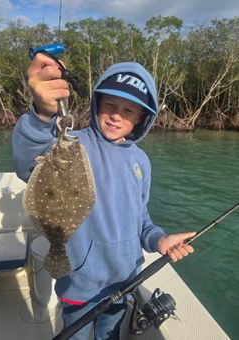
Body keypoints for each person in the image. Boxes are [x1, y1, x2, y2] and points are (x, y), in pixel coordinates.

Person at [12, 53, 196, 339]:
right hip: (80, 284)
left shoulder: (141, 162)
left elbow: (141, 218)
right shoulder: (74, 144)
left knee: (110, 334)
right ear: (97, 103)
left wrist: (158, 239)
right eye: (109, 105)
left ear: (141, 119)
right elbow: (28, 163)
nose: (116, 115)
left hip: (125, 282)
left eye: (128, 111)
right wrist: (42, 114)